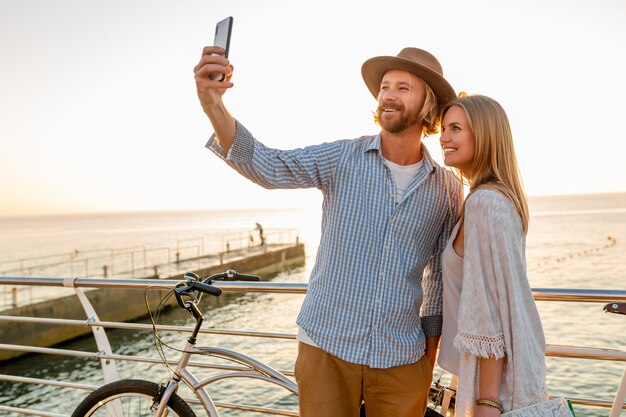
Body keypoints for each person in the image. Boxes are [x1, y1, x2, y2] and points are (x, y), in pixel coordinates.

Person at [194, 46, 462, 417]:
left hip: (402, 358)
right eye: (385, 86)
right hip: (327, 347)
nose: (388, 95)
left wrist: (426, 363)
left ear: (427, 105)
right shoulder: (342, 158)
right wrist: (214, 107)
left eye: (403, 88)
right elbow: (269, 166)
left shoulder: (447, 188)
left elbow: (438, 282)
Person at [437, 94, 549, 416]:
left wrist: (487, 401)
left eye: (455, 128)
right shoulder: (496, 198)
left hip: (491, 387)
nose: (443, 137)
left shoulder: (484, 204)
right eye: (444, 128)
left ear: (484, 136)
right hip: (498, 375)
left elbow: (488, 312)